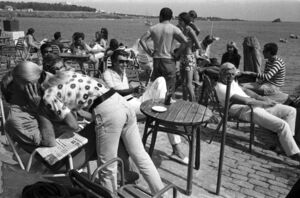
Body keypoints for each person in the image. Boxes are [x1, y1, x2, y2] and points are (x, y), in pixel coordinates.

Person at [11, 61, 165, 194]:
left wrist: (43, 109)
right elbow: (78, 96)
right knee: (141, 156)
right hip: (121, 102)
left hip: (107, 111)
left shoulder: (48, 96)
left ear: (28, 85)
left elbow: (72, 124)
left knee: (107, 167)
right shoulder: (63, 74)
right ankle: (161, 193)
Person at [103, 49, 189, 165]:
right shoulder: (107, 73)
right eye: (121, 62)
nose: (124, 64)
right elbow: (114, 93)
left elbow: (127, 90)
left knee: (160, 80)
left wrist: (138, 90)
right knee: (165, 113)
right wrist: (133, 89)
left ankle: (166, 104)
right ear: (113, 61)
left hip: (134, 100)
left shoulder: (123, 72)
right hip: (125, 107)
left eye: (126, 62)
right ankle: (177, 149)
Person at [0, 71, 97, 171]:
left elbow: (73, 123)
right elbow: (50, 141)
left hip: (69, 150)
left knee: (104, 122)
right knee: (103, 125)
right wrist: (40, 109)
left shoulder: (29, 106)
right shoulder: (16, 119)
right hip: (59, 161)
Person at [215, 62, 300, 161]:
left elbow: (245, 90)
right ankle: (294, 153)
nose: (230, 76)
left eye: (232, 74)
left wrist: (261, 98)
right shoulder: (221, 88)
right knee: (282, 125)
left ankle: (285, 144)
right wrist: (264, 103)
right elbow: (245, 101)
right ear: (221, 74)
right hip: (243, 110)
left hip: (254, 105)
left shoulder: (231, 81)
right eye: (227, 74)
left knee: (291, 111)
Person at [139, 7, 188, 100]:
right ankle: (168, 110)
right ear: (170, 17)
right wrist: (177, 54)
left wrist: (149, 52)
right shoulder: (174, 29)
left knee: (156, 87)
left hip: (156, 60)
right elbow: (185, 42)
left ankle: (153, 108)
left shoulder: (153, 28)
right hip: (168, 60)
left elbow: (142, 40)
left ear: (160, 16)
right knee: (169, 89)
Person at [177, 12, 202, 102]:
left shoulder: (189, 30)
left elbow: (199, 45)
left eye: (180, 20)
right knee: (183, 83)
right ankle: (184, 102)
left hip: (189, 58)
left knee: (188, 84)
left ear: (184, 21)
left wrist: (190, 47)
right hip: (183, 58)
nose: (178, 21)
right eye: (178, 19)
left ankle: (193, 104)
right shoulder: (181, 29)